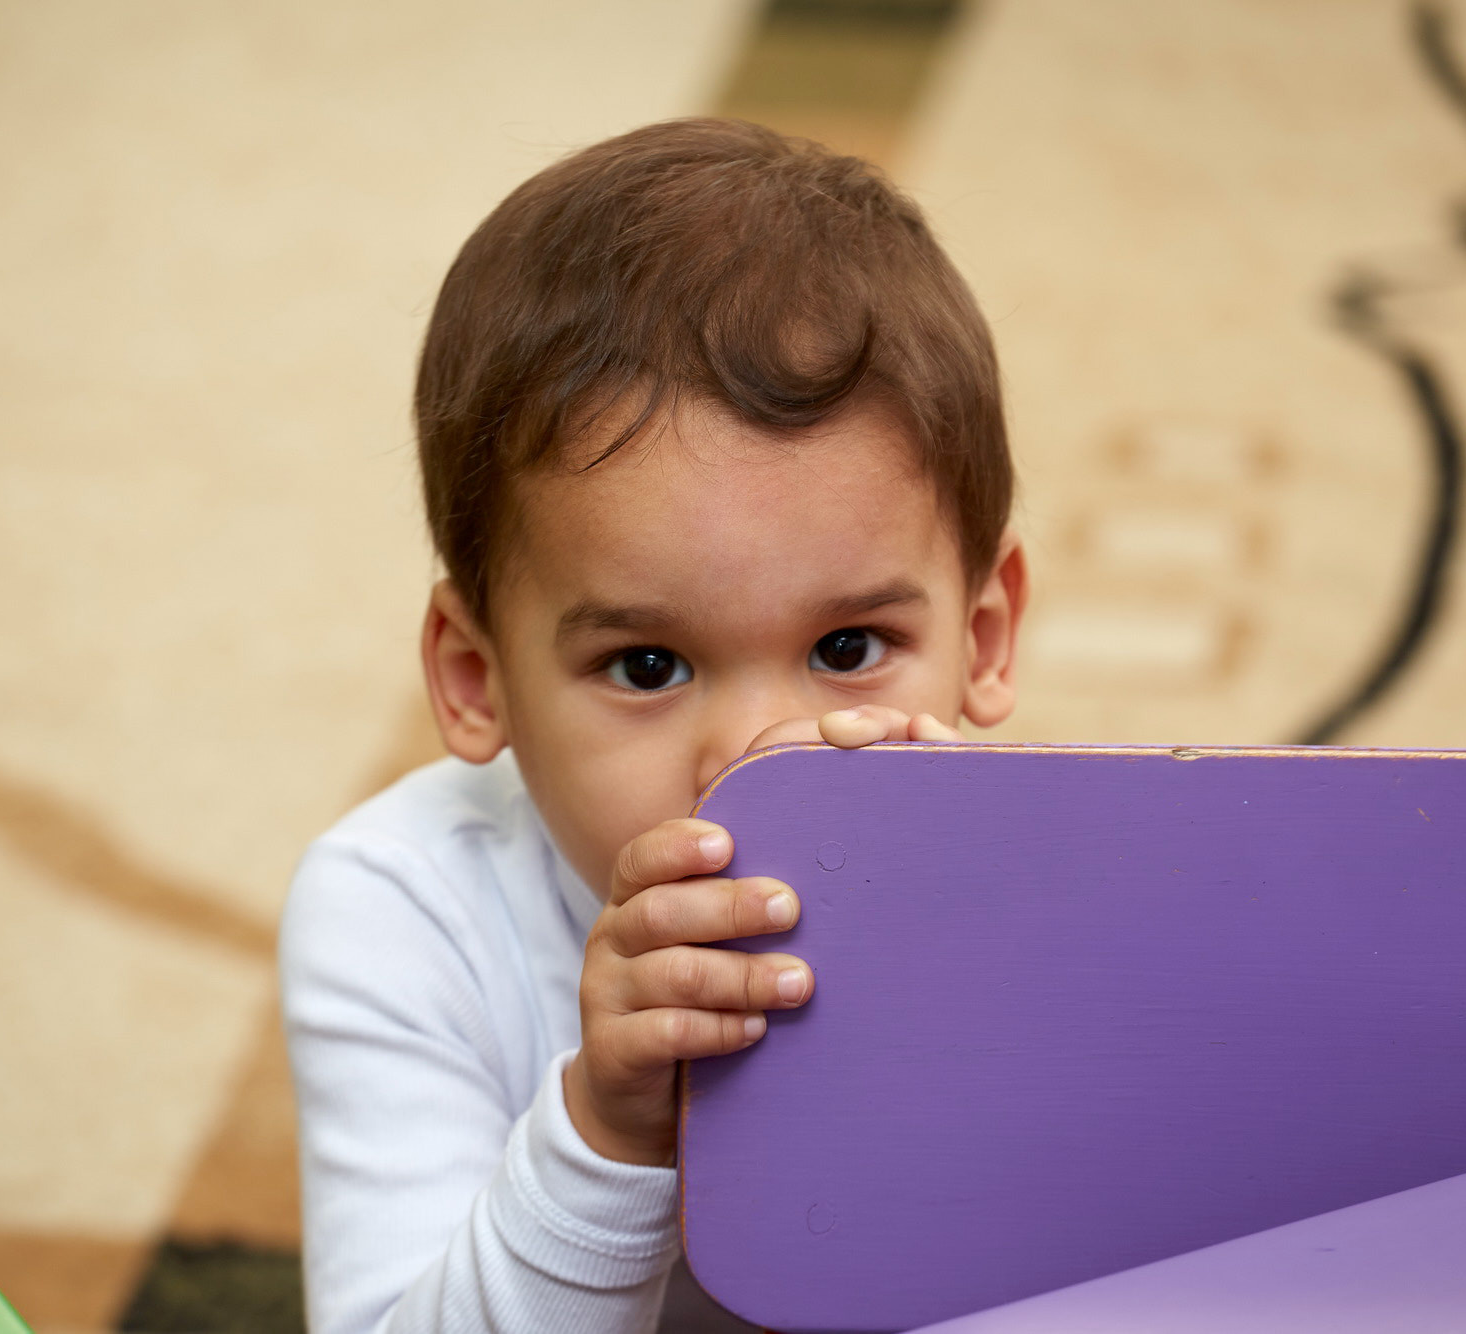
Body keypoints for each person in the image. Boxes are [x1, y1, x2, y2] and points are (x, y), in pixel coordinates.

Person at [281, 117, 1027, 1334]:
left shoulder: (1049, 881)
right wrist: (602, 1133)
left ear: (982, 641)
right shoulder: (398, 908)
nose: (757, 752)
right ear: (477, 681)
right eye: (646, 662)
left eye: (846, 651)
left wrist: (986, 1000)